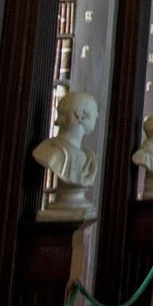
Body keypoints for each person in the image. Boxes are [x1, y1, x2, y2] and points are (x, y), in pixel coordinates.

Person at [35, 89, 101, 220]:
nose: (97, 116)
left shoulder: (88, 156)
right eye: (94, 112)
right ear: (80, 116)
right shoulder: (50, 152)